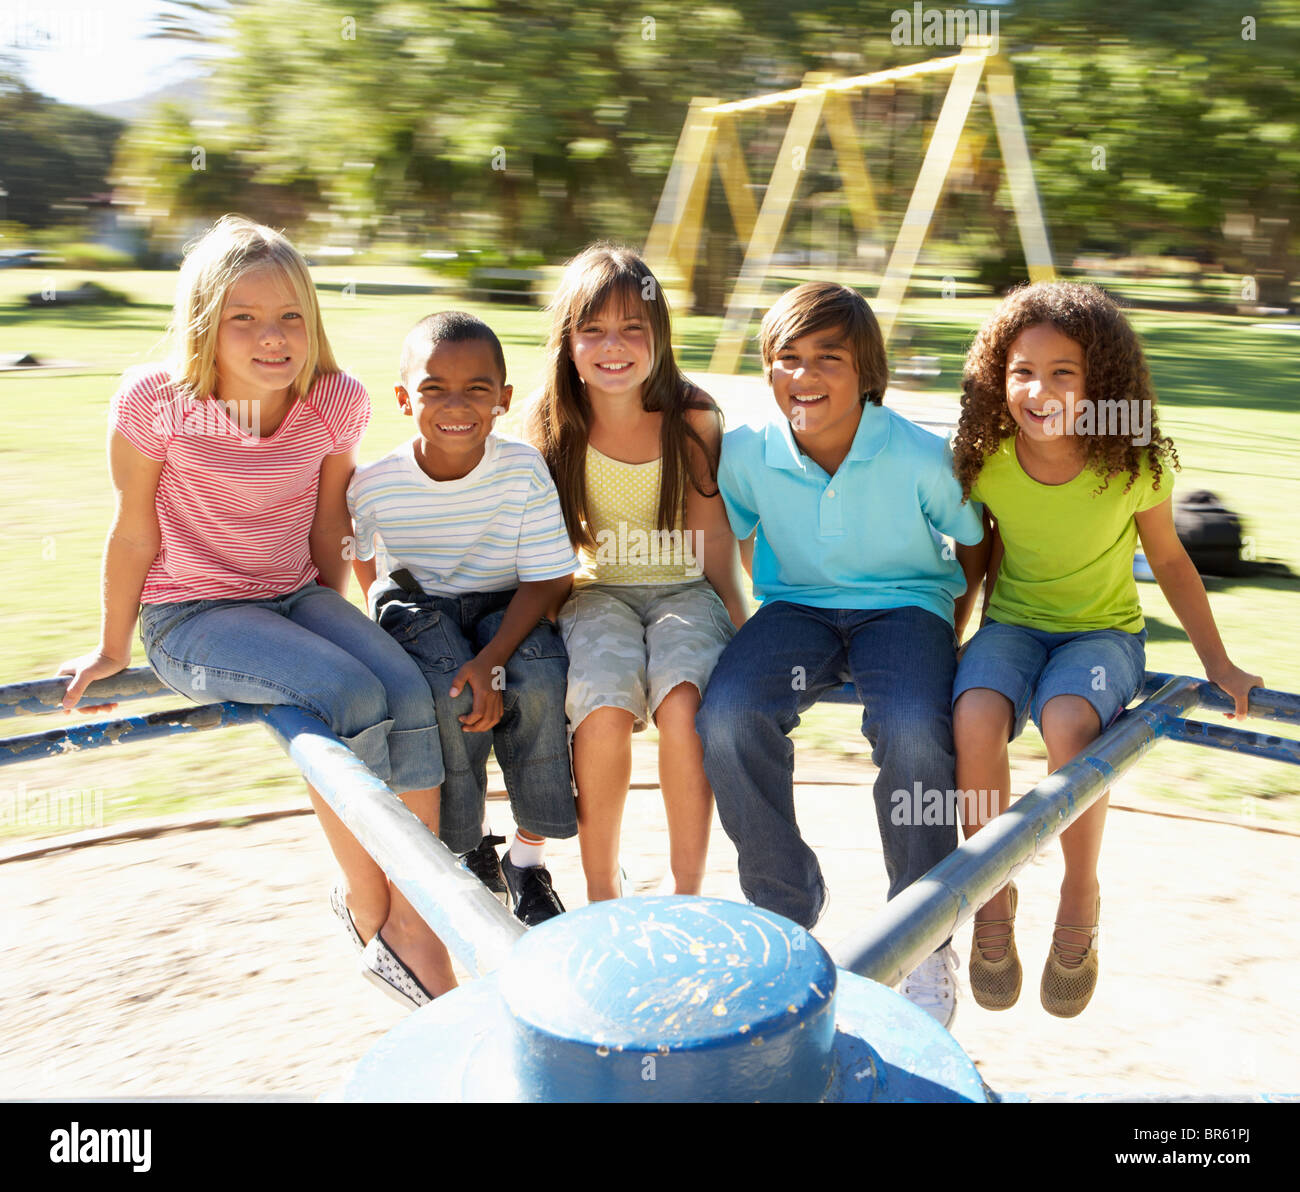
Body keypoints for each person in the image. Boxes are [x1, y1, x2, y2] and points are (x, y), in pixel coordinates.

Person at [57, 215, 453, 1010]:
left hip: (293, 596)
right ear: (206, 322)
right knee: (343, 696)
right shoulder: (156, 404)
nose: (273, 338)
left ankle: (420, 914)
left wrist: (333, 625)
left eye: (290, 318)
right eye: (245, 318)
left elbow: (326, 525)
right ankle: (368, 904)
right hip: (191, 615)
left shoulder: (332, 401)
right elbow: (134, 529)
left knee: (404, 687)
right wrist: (109, 644)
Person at [951, 280, 1261, 1017]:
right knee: (971, 717)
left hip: (1103, 635)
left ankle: (1078, 892)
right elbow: (975, 561)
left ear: (1102, 384)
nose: (1040, 389)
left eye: (1064, 373)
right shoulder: (988, 461)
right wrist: (954, 641)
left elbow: (1176, 564)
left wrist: (1218, 661)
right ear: (1000, 377)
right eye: (1023, 371)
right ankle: (993, 897)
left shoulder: (1133, 465)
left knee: (1068, 721)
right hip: (1013, 629)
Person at [695, 281, 985, 1029]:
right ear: (767, 370)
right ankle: (785, 906)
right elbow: (742, 528)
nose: (806, 374)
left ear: (867, 373)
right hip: (797, 610)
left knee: (918, 728)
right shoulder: (746, 453)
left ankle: (922, 937)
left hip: (907, 608)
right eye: (788, 357)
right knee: (727, 714)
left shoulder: (919, 453)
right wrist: (764, 601)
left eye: (829, 357)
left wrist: (952, 625)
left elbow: (976, 537)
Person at [528, 244, 747, 902]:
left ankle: (687, 890)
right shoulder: (550, 421)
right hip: (598, 593)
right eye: (592, 330)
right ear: (568, 341)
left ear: (660, 337)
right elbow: (543, 547)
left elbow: (712, 535)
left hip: (685, 588)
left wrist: (742, 624)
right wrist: (533, 634)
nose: (612, 346)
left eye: (632, 329)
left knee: (684, 705)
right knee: (600, 702)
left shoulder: (693, 417)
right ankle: (601, 890)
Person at [348, 311, 579, 926]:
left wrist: (493, 659)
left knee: (534, 678)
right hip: (423, 606)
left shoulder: (522, 468)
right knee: (448, 686)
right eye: (433, 389)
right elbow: (365, 564)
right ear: (403, 399)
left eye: (478, 389)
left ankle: (528, 861)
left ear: (503, 400)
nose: (457, 404)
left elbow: (549, 577)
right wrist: (385, 616)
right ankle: (469, 844)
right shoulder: (374, 484)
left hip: (510, 603)